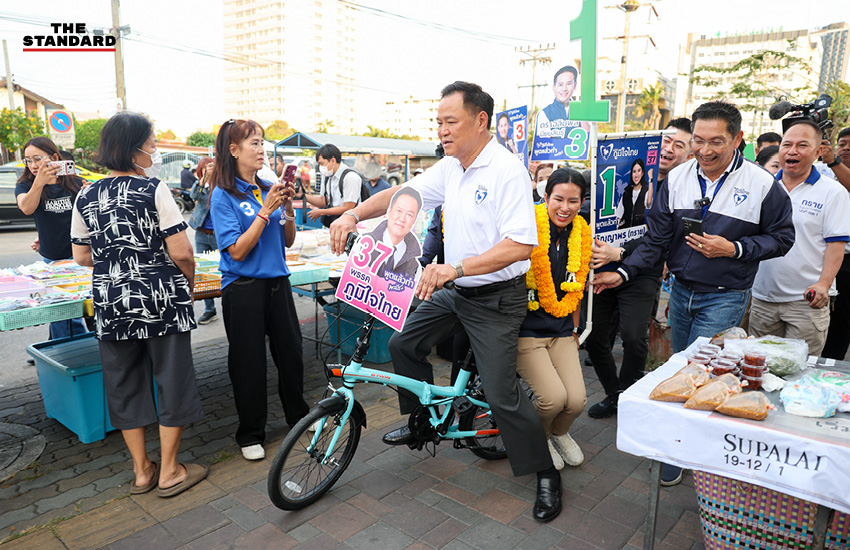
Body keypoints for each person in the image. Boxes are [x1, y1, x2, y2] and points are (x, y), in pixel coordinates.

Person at [329, 81, 562, 523]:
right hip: (457, 290)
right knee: (402, 345)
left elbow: (521, 245)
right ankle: (423, 421)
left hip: (495, 298)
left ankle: (546, 472)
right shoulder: (451, 166)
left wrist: (455, 268)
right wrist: (353, 213)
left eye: (450, 121)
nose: (442, 130)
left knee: (502, 394)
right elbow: (402, 198)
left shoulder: (506, 170)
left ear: (480, 121)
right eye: (438, 122)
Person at [593, 102, 795, 485]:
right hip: (681, 291)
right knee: (682, 371)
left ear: (738, 139)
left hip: (725, 294)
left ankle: (696, 451)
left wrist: (733, 249)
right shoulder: (678, 178)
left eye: (716, 141)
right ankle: (680, 443)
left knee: (705, 370)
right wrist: (623, 271)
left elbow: (783, 238)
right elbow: (655, 241)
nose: (705, 150)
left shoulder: (762, 185)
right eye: (698, 141)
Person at [70, 112, 207, 498]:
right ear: (134, 149)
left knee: (123, 384)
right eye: (152, 143)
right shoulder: (153, 189)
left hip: (111, 301)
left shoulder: (86, 194)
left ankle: (142, 471)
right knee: (172, 379)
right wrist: (189, 285)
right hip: (161, 297)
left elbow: (81, 257)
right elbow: (182, 252)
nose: (155, 150)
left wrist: (118, 264)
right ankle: (170, 470)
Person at [209, 119, 310, 461]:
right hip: (243, 288)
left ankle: (299, 416)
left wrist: (287, 209)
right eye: (253, 143)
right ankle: (250, 433)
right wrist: (265, 211)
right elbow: (236, 250)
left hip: (277, 283)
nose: (261, 148)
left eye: (262, 142)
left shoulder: (267, 185)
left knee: (291, 355)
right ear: (233, 150)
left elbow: (288, 241)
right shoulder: (223, 194)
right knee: (248, 363)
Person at [584, 118, 693, 420]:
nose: (669, 149)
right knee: (593, 336)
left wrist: (620, 253)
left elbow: (660, 240)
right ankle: (615, 395)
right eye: (666, 141)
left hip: (642, 272)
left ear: (689, 152)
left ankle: (628, 394)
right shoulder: (621, 183)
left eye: (679, 145)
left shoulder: (681, 189)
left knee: (633, 336)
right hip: (603, 264)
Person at [749, 120, 850, 356]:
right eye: (787, 144)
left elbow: (835, 244)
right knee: (758, 368)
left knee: (798, 374)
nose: (792, 151)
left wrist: (824, 284)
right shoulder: (762, 186)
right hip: (763, 299)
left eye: (802, 145)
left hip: (806, 303)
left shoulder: (833, 191)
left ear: (817, 153)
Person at [517, 167, 591, 471]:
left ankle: (558, 433)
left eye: (573, 201)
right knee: (552, 399)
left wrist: (574, 328)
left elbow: (581, 286)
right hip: (526, 332)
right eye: (558, 199)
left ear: (581, 202)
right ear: (545, 197)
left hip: (561, 330)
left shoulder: (582, 233)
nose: (565, 207)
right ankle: (539, 438)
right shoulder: (525, 228)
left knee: (576, 401)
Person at [15, 136, 87, 340]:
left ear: (54, 157)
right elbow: (27, 208)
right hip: (53, 259)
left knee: (87, 309)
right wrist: (39, 183)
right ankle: (65, 349)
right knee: (63, 312)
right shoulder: (25, 186)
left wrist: (88, 193)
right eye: (27, 161)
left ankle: (74, 347)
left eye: (37, 158)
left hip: (83, 256)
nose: (33, 165)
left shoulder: (74, 182)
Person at [823, 127, 850, 360]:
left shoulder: (833, 167)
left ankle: (833, 365)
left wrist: (834, 161)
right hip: (822, 255)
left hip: (848, 261)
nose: (846, 148)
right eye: (842, 143)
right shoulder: (824, 172)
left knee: (843, 318)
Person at [364, 186, 422, 280]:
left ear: (414, 220)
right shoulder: (363, 244)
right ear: (389, 211)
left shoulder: (414, 266)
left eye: (409, 215)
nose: (402, 219)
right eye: (399, 211)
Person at [298, 144, 360, 226]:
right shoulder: (327, 176)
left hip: (350, 224)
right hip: (334, 222)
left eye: (322, 163)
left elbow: (349, 208)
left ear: (333, 161)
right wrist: (302, 196)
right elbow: (324, 201)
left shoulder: (350, 177)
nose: (321, 167)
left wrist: (321, 212)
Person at [188, 156, 218, 325]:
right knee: (204, 272)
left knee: (222, 269)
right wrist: (203, 181)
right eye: (205, 167)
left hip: (218, 234)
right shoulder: (200, 184)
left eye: (211, 166)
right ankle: (210, 309)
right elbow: (194, 196)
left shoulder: (221, 184)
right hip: (201, 233)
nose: (209, 169)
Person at [615, 158, 654, 229]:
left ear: (642, 173)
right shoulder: (626, 192)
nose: (636, 175)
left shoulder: (645, 191)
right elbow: (619, 215)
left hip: (637, 232)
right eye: (634, 171)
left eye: (639, 171)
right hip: (624, 231)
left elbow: (649, 202)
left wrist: (650, 179)